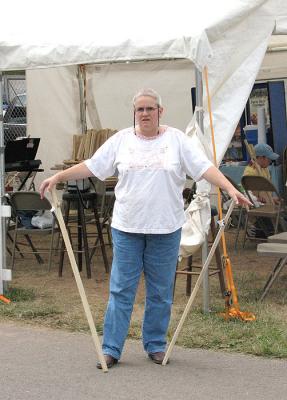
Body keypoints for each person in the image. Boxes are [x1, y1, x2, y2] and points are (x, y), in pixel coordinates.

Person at [40, 88, 251, 368]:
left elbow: (204, 168)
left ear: (160, 111)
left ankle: (155, 344)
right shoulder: (121, 141)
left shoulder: (177, 140)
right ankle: (112, 348)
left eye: (150, 109)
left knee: (161, 291)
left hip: (166, 229)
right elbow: (92, 166)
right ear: (134, 113)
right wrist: (58, 177)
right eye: (140, 109)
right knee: (121, 290)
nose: (145, 114)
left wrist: (229, 188)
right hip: (127, 228)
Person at [243, 143, 280, 238]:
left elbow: (266, 193)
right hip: (257, 206)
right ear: (261, 158)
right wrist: (261, 199)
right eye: (269, 159)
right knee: (271, 227)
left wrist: (271, 199)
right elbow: (251, 195)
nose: (270, 161)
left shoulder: (265, 169)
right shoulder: (250, 172)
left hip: (266, 203)